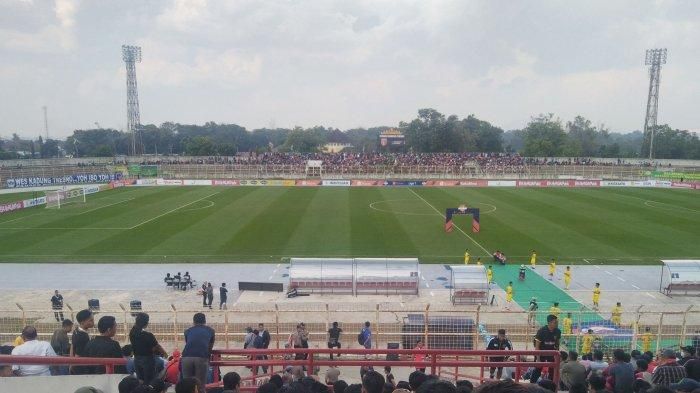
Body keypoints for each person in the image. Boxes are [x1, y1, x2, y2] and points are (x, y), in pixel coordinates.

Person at [182, 313, 216, 393]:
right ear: (205, 321)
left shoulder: (187, 331)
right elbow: (210, 347)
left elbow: (188, 343)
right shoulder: (211, 331)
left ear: (193, 321)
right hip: (201, 357)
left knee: (187, 386)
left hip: (186, 357)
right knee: (200, 386)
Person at [130, 312, 168, 383]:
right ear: (146, 323)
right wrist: (165, 354)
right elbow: (157, 347)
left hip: (137, 359)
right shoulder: (148, 335)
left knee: (140, 380)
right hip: (147, 360)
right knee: (149, 380)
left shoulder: (132, 333)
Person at [530, 314, 561, 383]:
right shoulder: (541, 331)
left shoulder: (558, 331)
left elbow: (557, 344)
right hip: (541, 353)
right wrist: (538, 359)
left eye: (557, 322)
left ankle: (551, 386)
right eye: (555, 322)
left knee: (552, 370)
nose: (557, 324)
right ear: (549, 323)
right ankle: (532, 385)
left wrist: (557, 356)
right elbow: (537, 346)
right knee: (538, 369)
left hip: (551, 353)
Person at [71, 309, 95, 375]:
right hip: (82, 368)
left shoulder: (76, 330)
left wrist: (71, 362)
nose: (93, 322)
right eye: (91, 320)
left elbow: (72, 346)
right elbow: (77, 355)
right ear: (82, 322)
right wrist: (73, 367)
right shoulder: (83, 336)